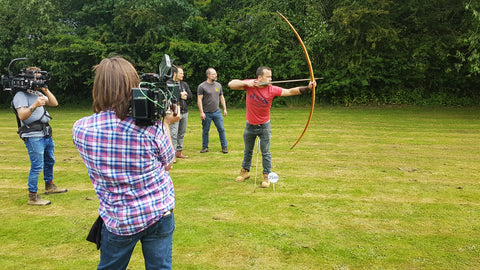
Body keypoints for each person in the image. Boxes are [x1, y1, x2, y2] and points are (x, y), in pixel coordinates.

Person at [72, 57, 180, 270]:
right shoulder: (150, 128)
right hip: (157, 211)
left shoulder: (81, 129)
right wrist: (165, 123)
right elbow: (168, 162)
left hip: (117, 217)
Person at [228, 66, 316, 188]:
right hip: (250, 125)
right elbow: (231, 84)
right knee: (247, 150)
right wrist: (246, 83)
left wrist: (307, 88)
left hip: (264, 126)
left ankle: (267, 176)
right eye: (268, 76)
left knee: (266, 153)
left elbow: (289, 91)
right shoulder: (250, 85)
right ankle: (245, 172)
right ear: (260, 77)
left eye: (271, 76)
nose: (271, 78)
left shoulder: (271, 89)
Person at [12, 66, 67, 206]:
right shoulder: (20, 95)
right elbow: (22, 115)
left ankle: (49, 186)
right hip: (33, 134)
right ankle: (33, 196)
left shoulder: (36, 92)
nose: (39, 80)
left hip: (45, 133)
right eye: (37, 77)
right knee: (37, 165)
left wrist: (45, 90)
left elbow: (54, 103)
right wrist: (35, 105)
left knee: (50, 160)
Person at [197, 67, 228, 154]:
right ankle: (205, 147)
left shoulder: (218, 85)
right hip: (206, 113)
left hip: (217, 112)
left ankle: (224, 147)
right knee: (205, 130)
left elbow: (221, 97)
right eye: (213, 74)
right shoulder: (202, 86)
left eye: (216, 73)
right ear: (208, 75)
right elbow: (199, 99)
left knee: (221, 129)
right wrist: (201, 112)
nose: (216, 75)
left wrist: (224, 109)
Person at [167, 66, 193, 161]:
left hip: (184, 111)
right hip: (174, 112)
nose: (183, 75)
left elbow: (191, 95)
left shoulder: (184, 84)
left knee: (181, 132)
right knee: (173, 133)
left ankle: (179, 152)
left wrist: (186, 95)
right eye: (181, 73)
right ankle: (172, 155)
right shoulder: (169, 84)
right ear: (175, 74)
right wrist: (179, 95)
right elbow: (168, 96)